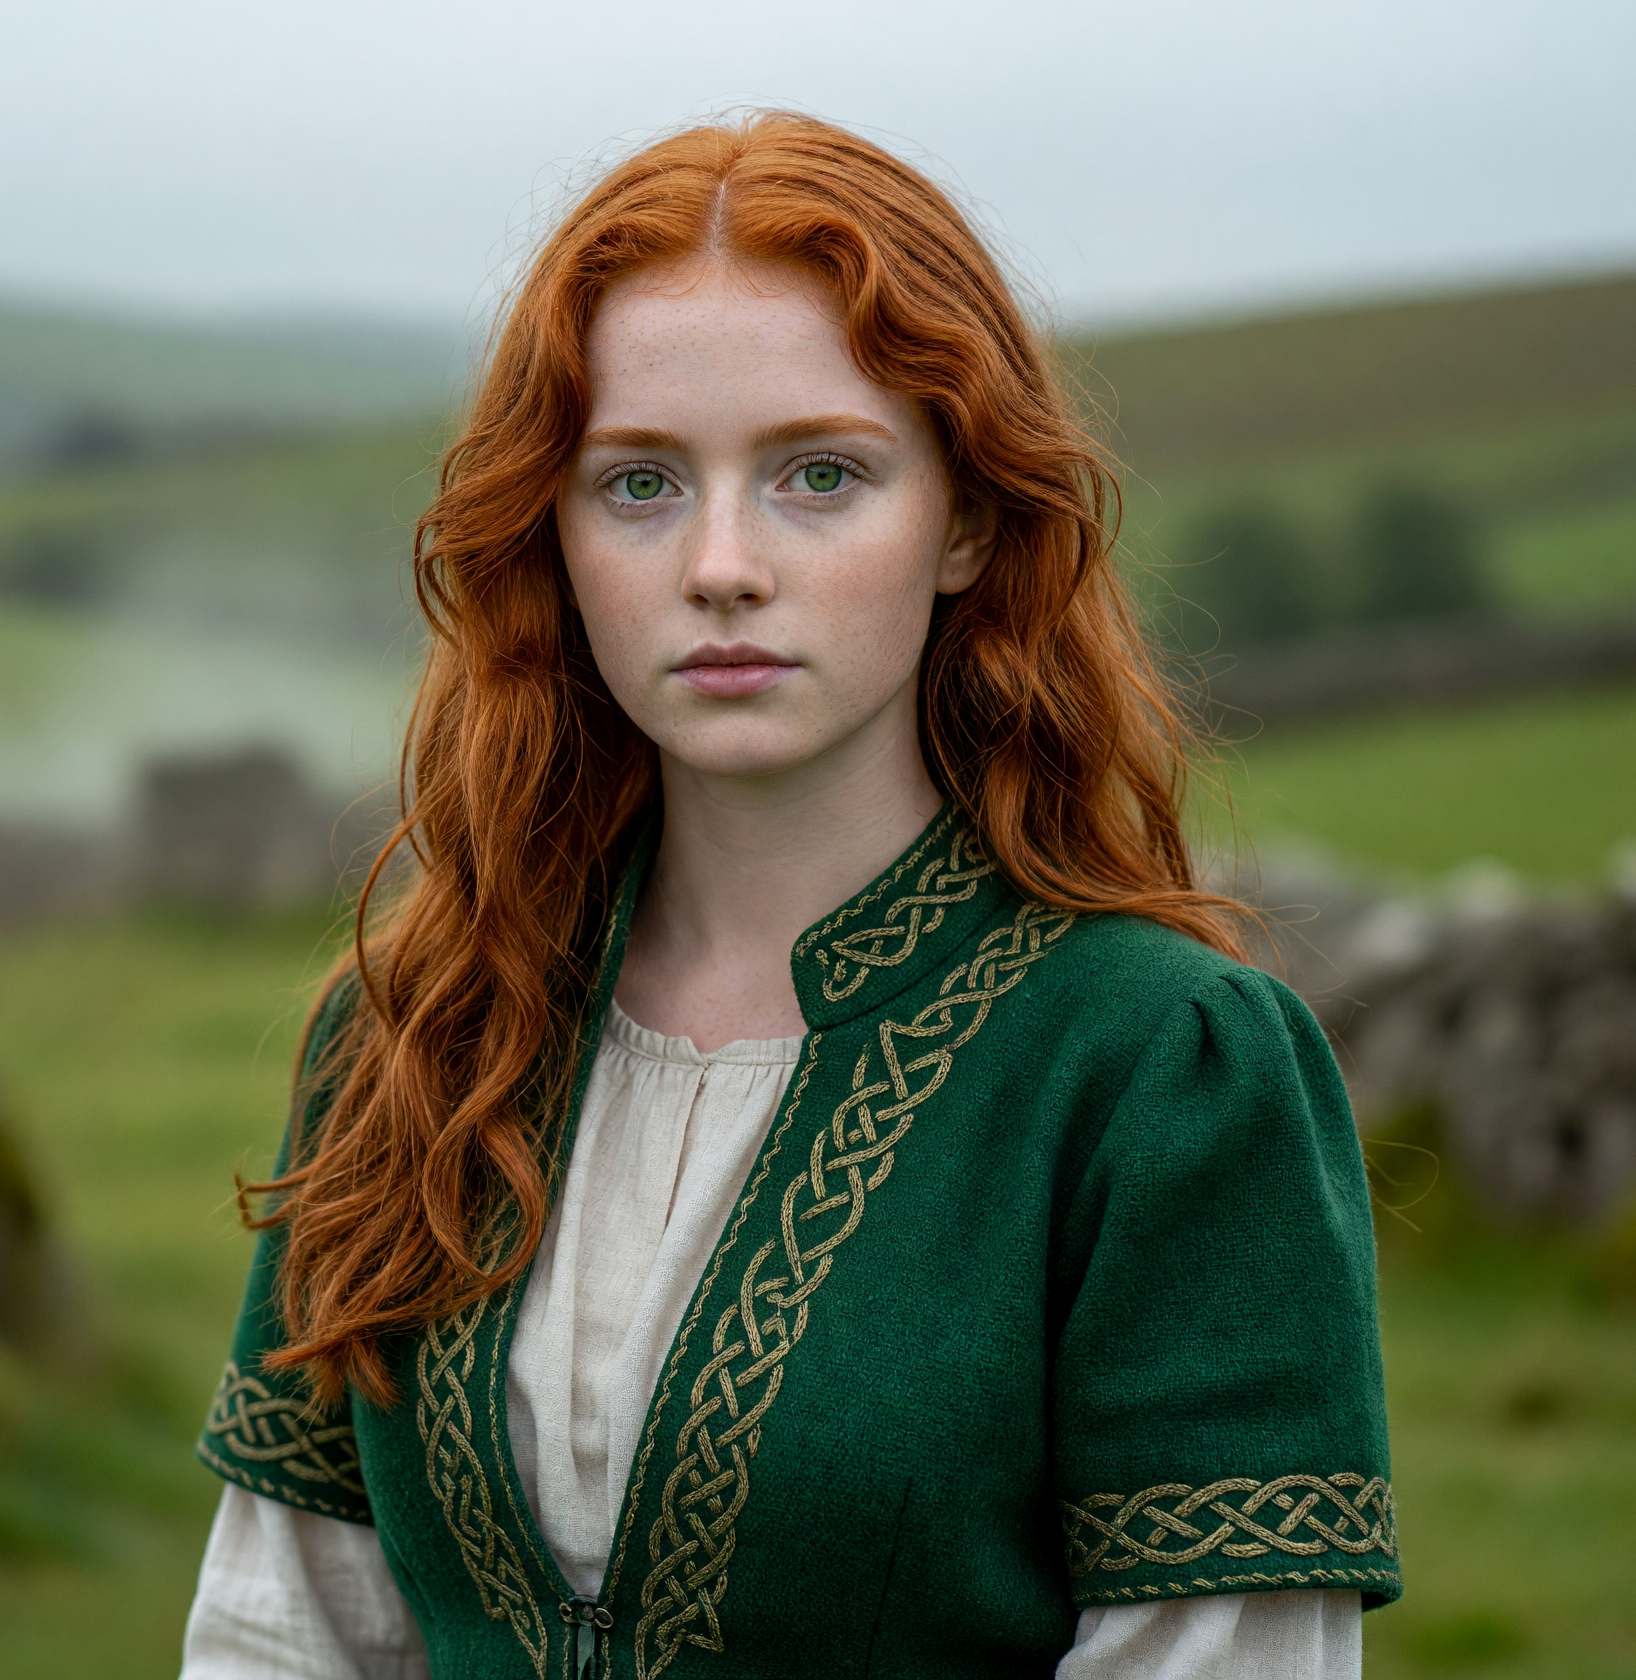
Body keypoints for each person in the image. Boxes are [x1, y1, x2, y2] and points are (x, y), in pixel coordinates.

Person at [181, 112, 1395, 1679]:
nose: (724, 564)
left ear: (964, 518)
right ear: (549, 531)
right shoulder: (416, 1033)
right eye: (639, 485)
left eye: (822, 475)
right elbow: (281, 1635)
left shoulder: (1162, 1073)